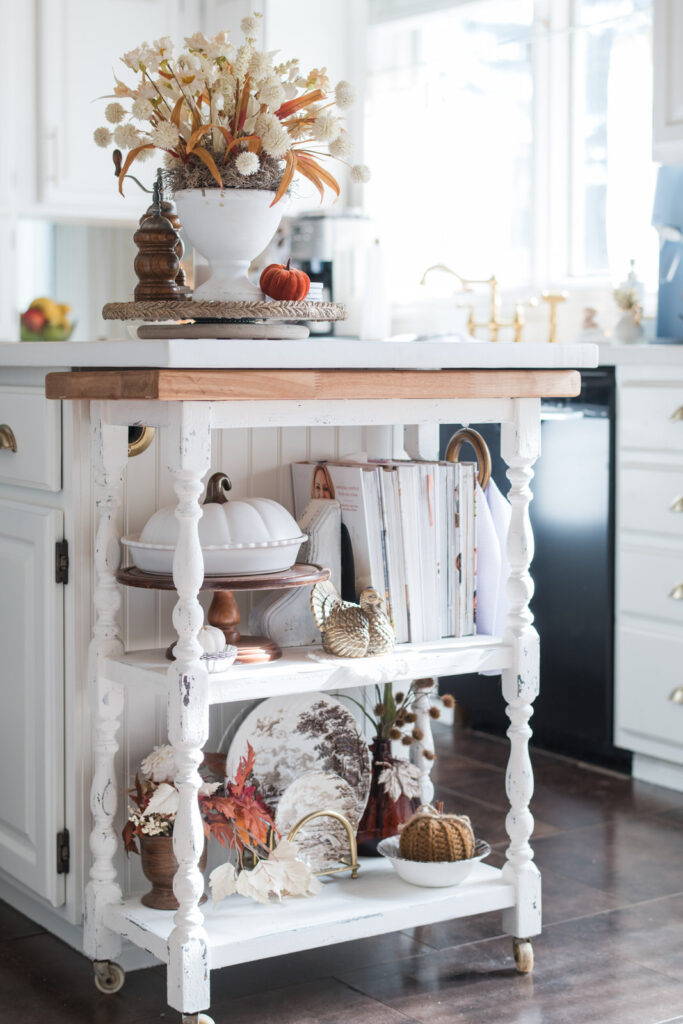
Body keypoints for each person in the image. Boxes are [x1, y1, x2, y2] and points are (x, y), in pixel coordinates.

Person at [310, 463, 355, 602]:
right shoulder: (306, 528)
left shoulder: (341, 531)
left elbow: (348, 581)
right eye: (317, 487)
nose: (321, 494)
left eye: (326, 488)